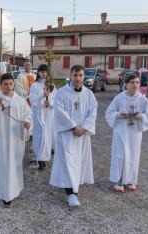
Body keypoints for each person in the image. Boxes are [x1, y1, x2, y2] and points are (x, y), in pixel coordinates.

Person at [49, 65, 98, 207]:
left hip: (82, 134)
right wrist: (73, 127)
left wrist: (84, 127)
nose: (78, 78)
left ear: (84, 77)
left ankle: (74, 186)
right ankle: (71, 193)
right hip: (67, 134)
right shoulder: (62, 93)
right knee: (68, 162)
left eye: (81, 75)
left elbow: (93, 111)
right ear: (70, 76)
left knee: (79, 162)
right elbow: (59, 111)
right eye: (75, 75)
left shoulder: (89, 94)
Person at [0, 73, 31, 207]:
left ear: (14, 84)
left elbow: (28, 114)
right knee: (5, 165)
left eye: (10, 83)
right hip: (3, 138)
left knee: (16, 163)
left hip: (16, 138)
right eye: (5, 84)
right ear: (1, 85)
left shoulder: (20, 100)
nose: (8, 86)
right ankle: (6, 194)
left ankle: (15, 189)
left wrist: (27, 122)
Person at [105, 74, 148, 193]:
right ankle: (119, 180)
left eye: (137, 82)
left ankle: (131, 180)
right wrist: (118, 114)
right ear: (126, 84)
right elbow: (109, 112)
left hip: (135, 132)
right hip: (121, 131)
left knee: (133, 155)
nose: (135, 85)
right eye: (132, 82)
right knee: (120, 155)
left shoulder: (143, 99)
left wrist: (141, 115)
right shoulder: (119, 98)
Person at [29, 64, 56, 170]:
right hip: (39, 114)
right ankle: (38, 157)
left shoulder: (51, 85)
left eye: (45, 72)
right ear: (38, 72)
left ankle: (44, 157)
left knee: (47, 135)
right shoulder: (34, 85)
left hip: (48, 113)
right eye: (42, 72)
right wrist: (42, 96)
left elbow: (56, 98)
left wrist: (51, 103)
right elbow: (32, 99)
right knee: (39, 136)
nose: (44, 73)